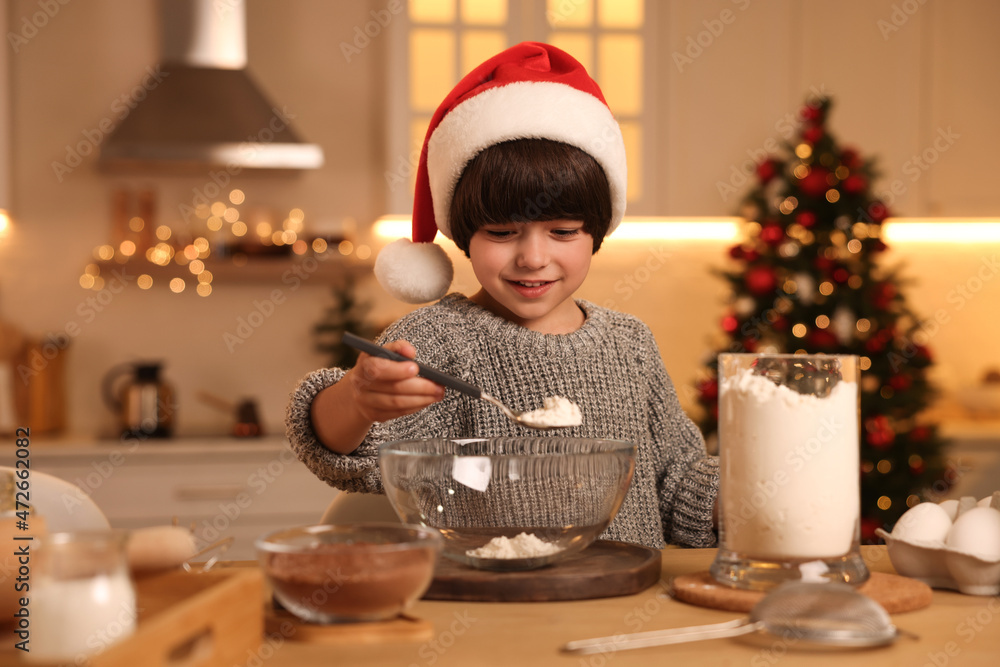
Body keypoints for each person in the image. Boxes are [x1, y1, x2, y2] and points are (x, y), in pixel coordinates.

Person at [286, 42, 718, 549]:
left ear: (596, 232)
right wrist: (358, 400)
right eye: (502, 232)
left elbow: (676, 481)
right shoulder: (439, 343)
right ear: (465, 234)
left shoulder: (630, 345)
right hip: (493, 613)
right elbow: (339, 450)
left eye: (562, 232)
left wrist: (744, 495)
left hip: (626, 607)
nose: (533, 258)